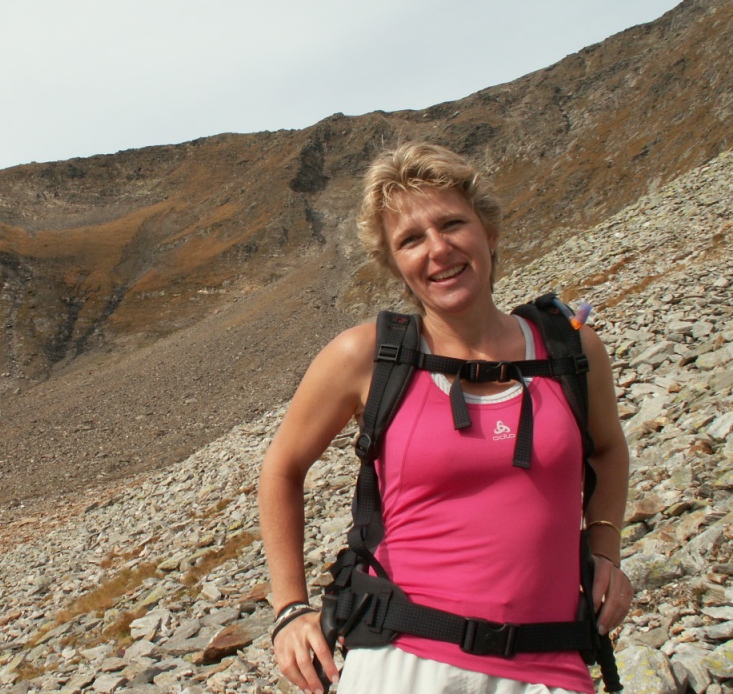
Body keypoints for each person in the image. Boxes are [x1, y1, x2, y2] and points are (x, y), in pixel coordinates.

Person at [258, 142, 631, 694]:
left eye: (452, 224)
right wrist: (290, 608)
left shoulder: (572, 350)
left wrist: (605, 550)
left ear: (489, 232)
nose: (438, 249)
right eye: (411, 240)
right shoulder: (365, 356)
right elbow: (282, 467)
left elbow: (608, 449)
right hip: (404, 662)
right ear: (394, 264)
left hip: (552, 663)